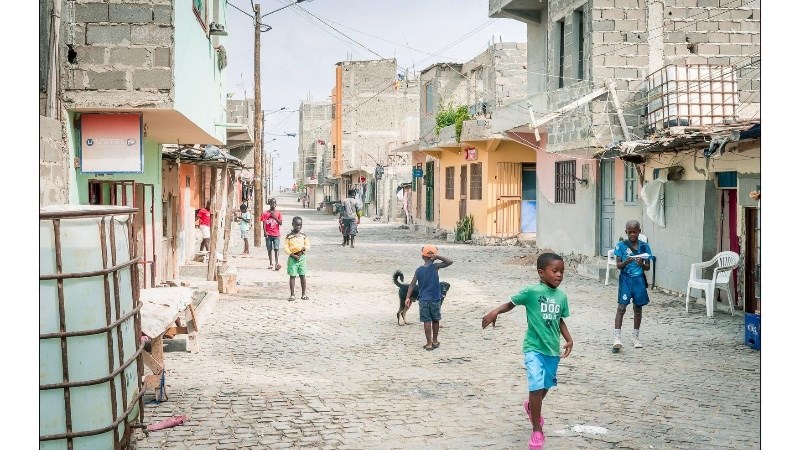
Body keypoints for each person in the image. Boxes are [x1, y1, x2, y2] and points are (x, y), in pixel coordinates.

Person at [481, 252, 573, 450]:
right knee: (535, 384)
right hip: (533, 348)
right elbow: (511, 304)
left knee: (545, 386)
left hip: (552, 351)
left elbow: (559, 320)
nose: (559, 275)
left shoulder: (562, 297)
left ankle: (532, 407)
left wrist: (569, 339)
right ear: (541, 272)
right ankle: (537, 430)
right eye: (555, 271)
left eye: (562, 271)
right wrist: (495, 311)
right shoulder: (532, 292)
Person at [612, 220, 653, 351]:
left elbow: (648, 267)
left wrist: (641, 263)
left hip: (639, 280)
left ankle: (635, 336)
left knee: (638, 308)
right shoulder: (621, 246)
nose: (632, 235)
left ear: (639, 231)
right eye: (630, 232)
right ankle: (617, 338)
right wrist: (627, 261)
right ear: (626, 232)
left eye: (635, 232)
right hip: (626, 279)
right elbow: (618, 265)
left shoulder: (645, 247)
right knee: (621, 307)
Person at [404, 245, 453, 351]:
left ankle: (429, 343)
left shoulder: (419, 270)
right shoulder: (435, 267)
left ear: (423, 257)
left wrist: (408, 297)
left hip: (423, 299)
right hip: (435, 299)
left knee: (426, 321)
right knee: (435, 320)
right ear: (433, 257)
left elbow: (412, 285)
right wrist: (438, 257)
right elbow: (450, 262)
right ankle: (435, 341)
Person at [284, 216, 310, 301]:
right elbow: (286, 248)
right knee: (292, 276)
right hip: (292, 258)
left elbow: (307, 245)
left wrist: (303, 250)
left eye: (300, 225)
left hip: (302, 257)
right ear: (292, 224)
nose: (298, 227)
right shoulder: (289, 237)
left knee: (302, 275)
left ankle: (304, 294)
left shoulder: (304, 236)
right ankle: (292, 295)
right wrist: (292, 255)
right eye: (296, 225)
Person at [260, 198, 283, 271]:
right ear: (269, 204)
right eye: (272, 203)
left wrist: (274, 217)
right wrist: (264, 232)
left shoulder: (278, 213)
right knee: (269, 249)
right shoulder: (265, 213)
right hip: (268, 234)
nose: (273, 204)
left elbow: (280, 223)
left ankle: (277, 263)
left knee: (276, 249)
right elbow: (264, 223)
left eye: (274, 203)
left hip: (276, 234)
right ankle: (270, 263)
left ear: (276, 204)